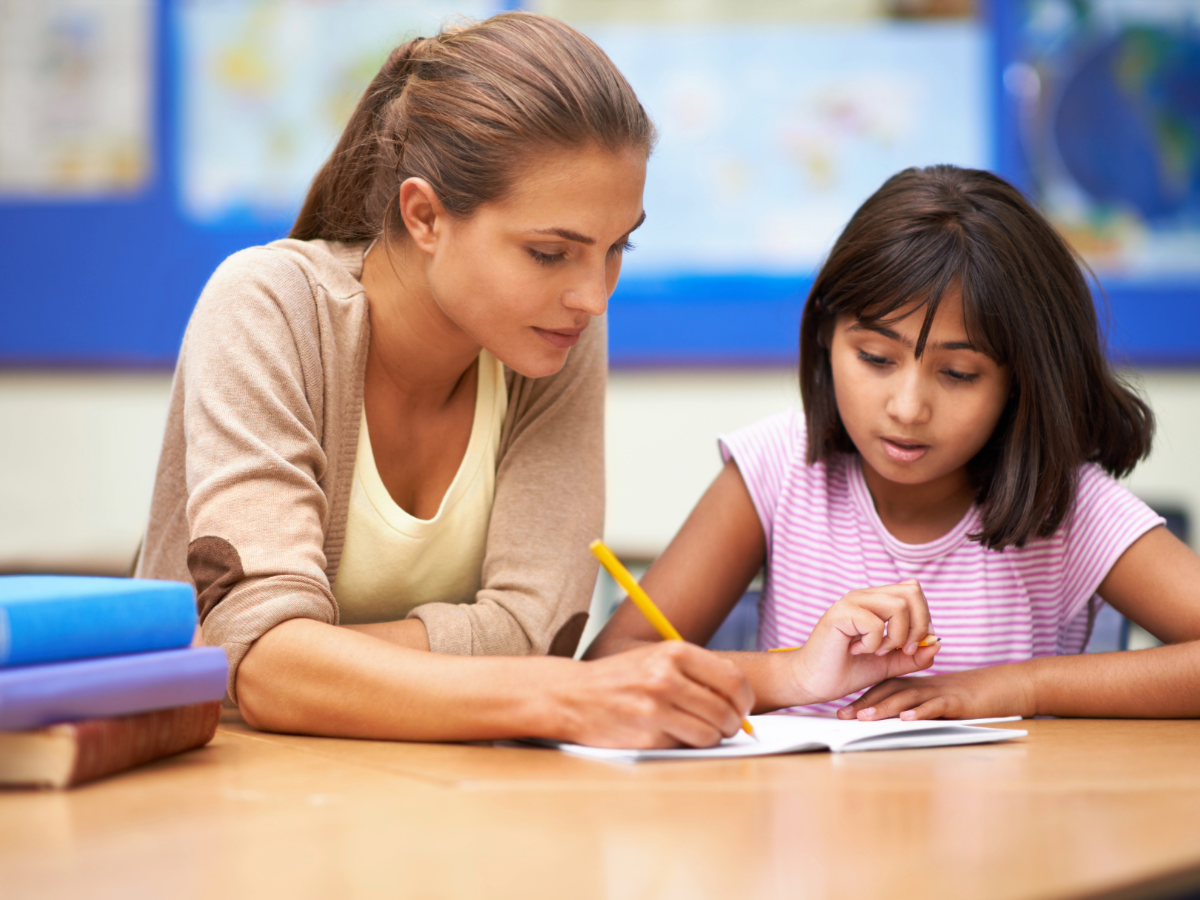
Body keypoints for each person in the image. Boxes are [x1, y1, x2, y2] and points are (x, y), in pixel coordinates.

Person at [136, 12, 910, 749]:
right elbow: (270, 674)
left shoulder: (556, 334)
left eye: (617, 249)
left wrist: (299, 658)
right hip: (229, 795)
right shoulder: (268, 306)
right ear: (425, 217)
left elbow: (537, 631)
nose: (593, 296)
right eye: (550, 252)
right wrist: (556, 692)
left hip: (445, 791)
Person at [587, 164, 1200, 721]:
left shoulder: (1065, 504)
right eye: (876, 358)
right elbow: (611, 665)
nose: (908, 408)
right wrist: (793, 673)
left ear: (1021, 380)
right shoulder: (778, 466)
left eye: (959, 374)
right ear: (827, 333)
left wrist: (1015, 687)